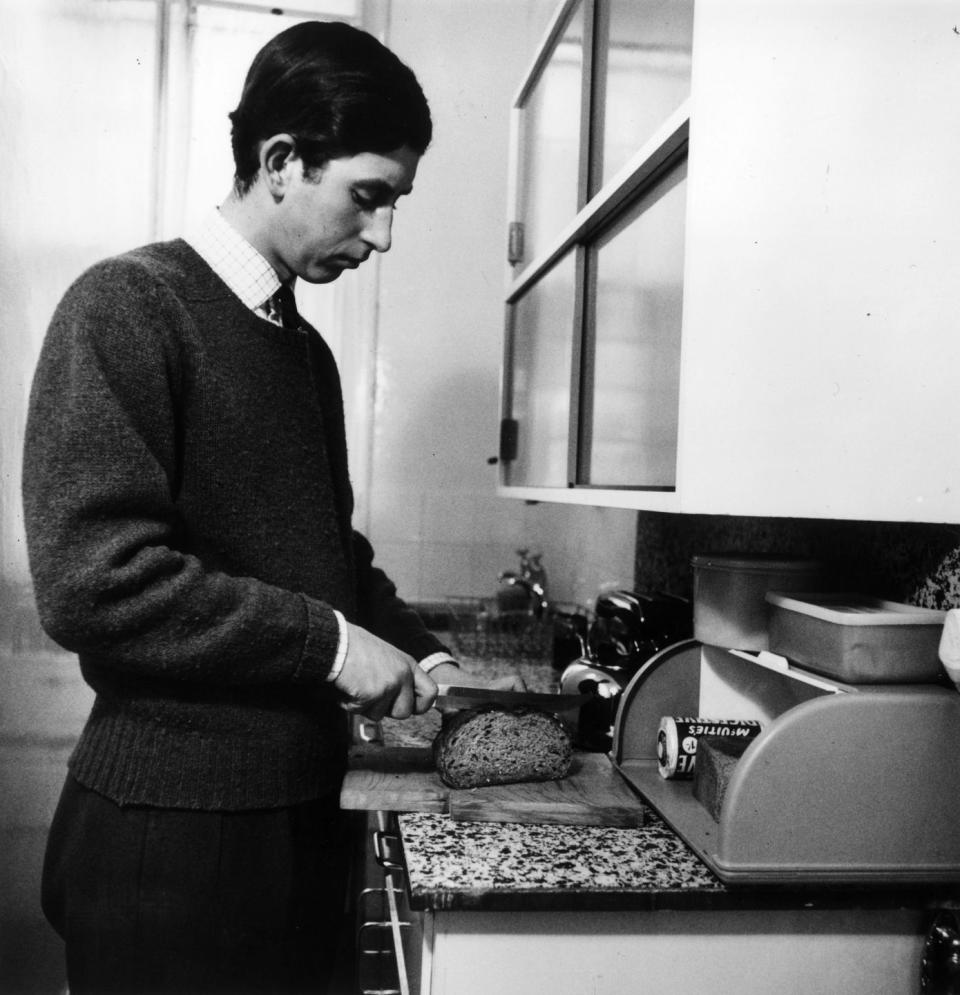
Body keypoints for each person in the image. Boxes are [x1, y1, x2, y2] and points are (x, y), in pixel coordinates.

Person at [22, 20, 520, 994]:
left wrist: (423, 648)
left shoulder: (306, 354)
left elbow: (328, 553)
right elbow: (95, 583)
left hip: (297, 822)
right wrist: (333, 645)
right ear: (282, 160)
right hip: (168, 838)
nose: (383, 234)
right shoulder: (126, 305)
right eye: (369, 197)